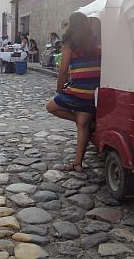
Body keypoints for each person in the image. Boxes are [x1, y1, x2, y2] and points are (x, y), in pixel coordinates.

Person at [46, 12, 101, 173]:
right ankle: (77, 164)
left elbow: (63, 71)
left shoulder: (69, 43)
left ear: (72, 25)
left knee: (51, 106)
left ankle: (81, 121)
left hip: (78, 90)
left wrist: (59, 90)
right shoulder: (95, 40)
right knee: (83, 125)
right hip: (94, 91)